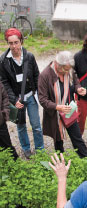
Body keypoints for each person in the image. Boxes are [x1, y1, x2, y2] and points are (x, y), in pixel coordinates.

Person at [0, 28, 44, 159]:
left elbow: (37, 76)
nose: (14, 46)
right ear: (7, 43)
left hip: (30, 96)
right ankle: (26, 149)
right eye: (10, 43)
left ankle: (40, 150)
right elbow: (4, 82)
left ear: (21, 42)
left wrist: (39, 94)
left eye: (16, 42)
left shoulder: (29, 57)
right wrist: (13, 100)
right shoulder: (3, 60)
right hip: (17, 99)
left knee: (36, 125)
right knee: (21, 126)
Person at [38, 51, 87, 158]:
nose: (67, 71)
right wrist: (57, 107)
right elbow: (42, 99)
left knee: (77, 137)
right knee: (58, 141)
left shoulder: (68, 69)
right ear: (57, 64)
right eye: (65, 69)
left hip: (68, 110)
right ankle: (61, 163)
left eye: (68, 69)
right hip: (55, 113)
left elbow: (75, 82)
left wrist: (78, 89)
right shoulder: (45, 75)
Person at [0, 81, 18, 160]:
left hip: (1, 121)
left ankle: (16, 164)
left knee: (8, 146)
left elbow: (5, 97)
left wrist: (5, 113)